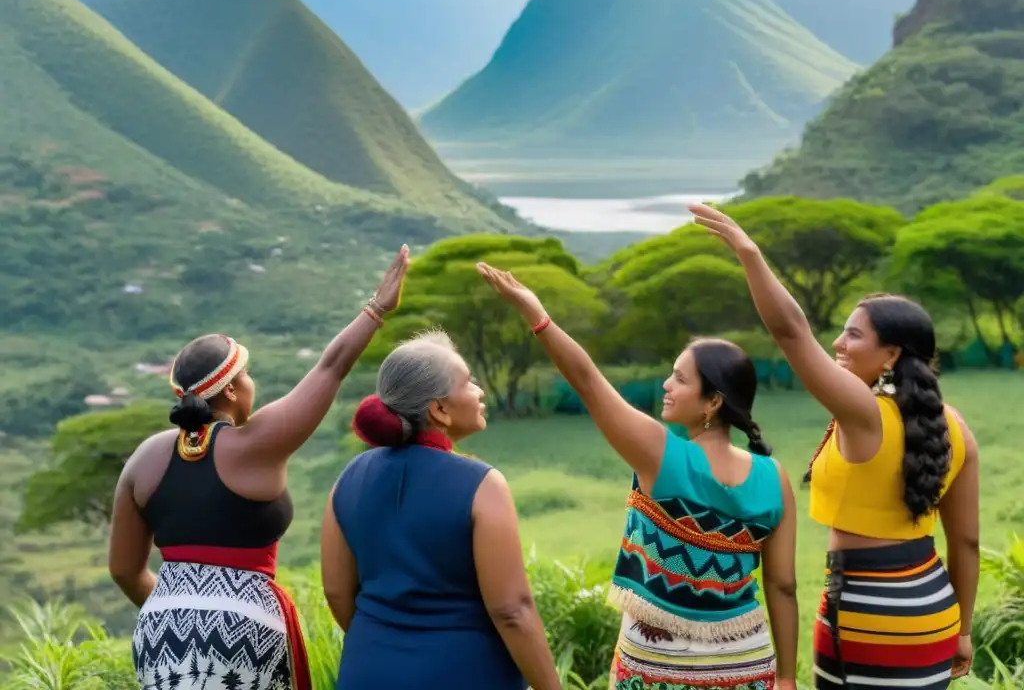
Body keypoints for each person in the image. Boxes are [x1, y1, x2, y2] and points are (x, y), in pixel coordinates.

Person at [689, 203, 981, 689]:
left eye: (853, 334)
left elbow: (790, 332)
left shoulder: (864, 414)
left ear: (890, 355)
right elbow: (966, 543)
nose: (838, 343)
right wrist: (963, 630)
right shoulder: (956, 427)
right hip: (932, 612)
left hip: (865, 613)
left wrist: (749, 253)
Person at [476, 262, 800, 690]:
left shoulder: (661, 454)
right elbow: (783, 586)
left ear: (713, 402)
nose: (666, 385)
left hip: (659, 665)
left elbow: (589, 383)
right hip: (746, 664)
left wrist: (537, 315)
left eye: (680, 379)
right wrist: (788, 676)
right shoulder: (773, 477)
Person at [107, 245, 410, 690]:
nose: (253, 384)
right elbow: (331, 368)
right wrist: (378, 307)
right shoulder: (255, 445)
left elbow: (123, 570)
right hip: (244, 631)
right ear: (230, 391)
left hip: (159, 632)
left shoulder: (145, 458)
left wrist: (183, 606)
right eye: (246, 377)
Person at [320, 328, 561, 690]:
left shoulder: (348, 479)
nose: (479, 391)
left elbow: (337, 593)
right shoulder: (482, 485)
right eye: (468, 383)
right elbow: (512, 611)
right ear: (440, 409)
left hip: (366, 671)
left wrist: (388, 644)